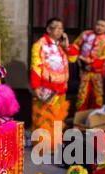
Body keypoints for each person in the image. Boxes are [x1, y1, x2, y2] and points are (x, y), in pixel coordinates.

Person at [30, 17, 71, 148]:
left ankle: (56, 144)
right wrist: (36, 86)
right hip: (47, 87)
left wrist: (67, 46)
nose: (59, 31)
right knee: (45, 117)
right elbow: (36, 66)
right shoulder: (39, 45)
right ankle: (44, 146)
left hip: (61, 87)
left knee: (58, 117)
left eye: (61, 28)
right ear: (48, 29)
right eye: (55, 27)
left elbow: (74, 58)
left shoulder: (60, 46)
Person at [69, 20, 105, 112]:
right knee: (82, 94)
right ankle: (80, 118)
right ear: (94, 25)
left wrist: (92, 63)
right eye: (98, 24)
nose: (99, 27)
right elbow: (76, 45)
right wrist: (77, 57)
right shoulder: (86, 34)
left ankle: (96, 119)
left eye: (102, 26)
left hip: (97, 72)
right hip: (84, 69)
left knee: (97, 94)